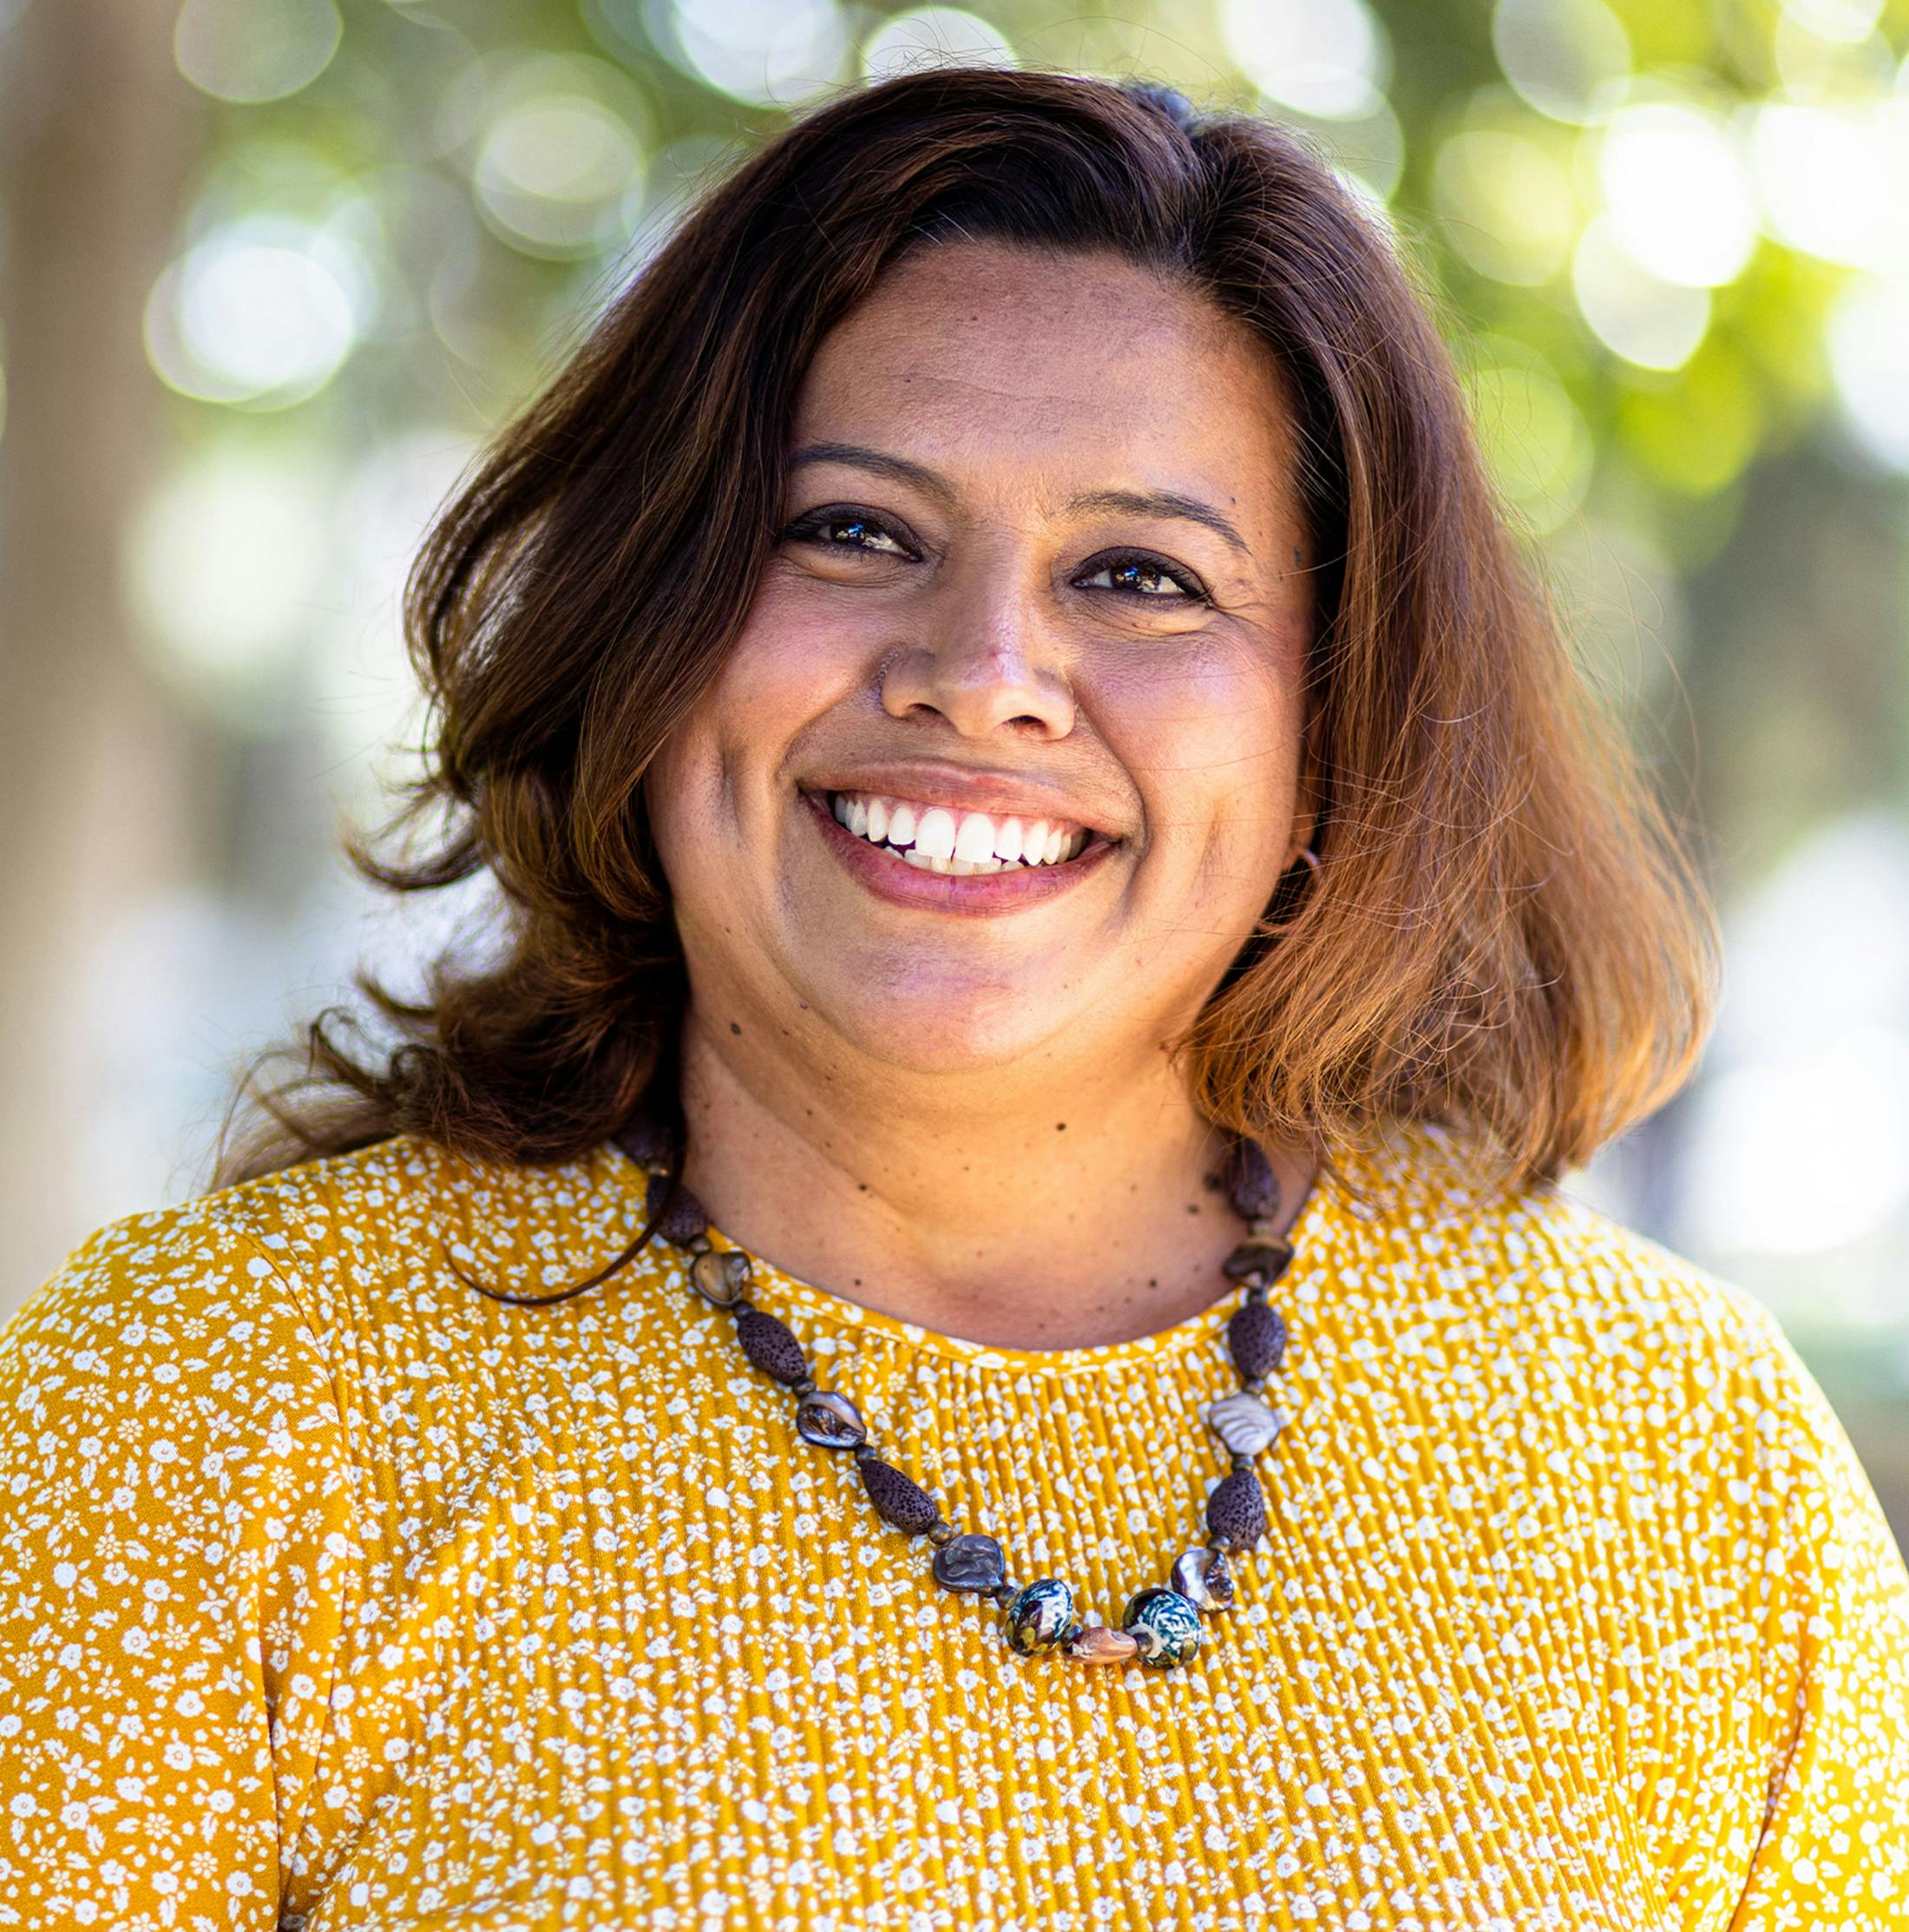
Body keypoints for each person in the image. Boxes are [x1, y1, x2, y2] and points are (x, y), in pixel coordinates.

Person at [2, 65, 1905, 1932]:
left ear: (1335, 718)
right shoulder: (200, 1415)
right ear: (648, 616)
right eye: (851, 530)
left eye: (1142, 575)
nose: (981, 673)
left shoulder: (1683, 1466)